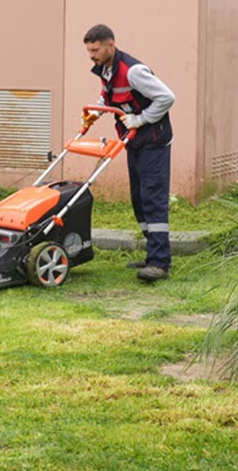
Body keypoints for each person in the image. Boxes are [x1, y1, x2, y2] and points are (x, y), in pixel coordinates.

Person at [82, 24, 175, 282]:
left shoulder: (133, 72)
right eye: (89, 51)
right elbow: (109, 97)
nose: (91, 55)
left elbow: (167, 97)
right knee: (139, 200)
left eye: (95, 49)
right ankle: (154, 253)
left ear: (110, 45)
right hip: (133, 141)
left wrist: (141, 119)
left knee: (153, 199)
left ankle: (159, 263)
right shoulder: (106, 70)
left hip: (154, 141)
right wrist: (96, 112)